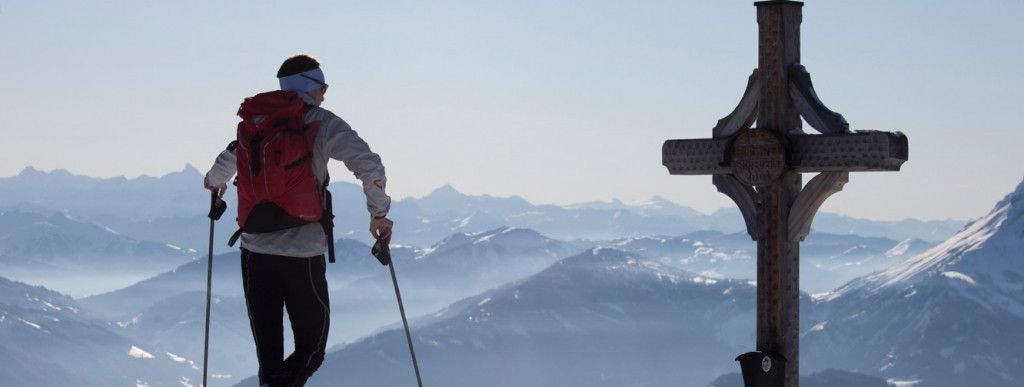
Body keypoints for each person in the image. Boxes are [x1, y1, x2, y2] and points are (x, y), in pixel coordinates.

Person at [204, 54, 393, 387]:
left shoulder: (255, 124)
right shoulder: (322, 122)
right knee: (311, 349)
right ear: (310, 86)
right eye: (323, 87)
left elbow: (218, 173)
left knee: (269, 358)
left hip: (254, 252)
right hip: (302, 253)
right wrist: (378, 214)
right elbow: (370, 166)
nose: (324, 94)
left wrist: (214, 183)